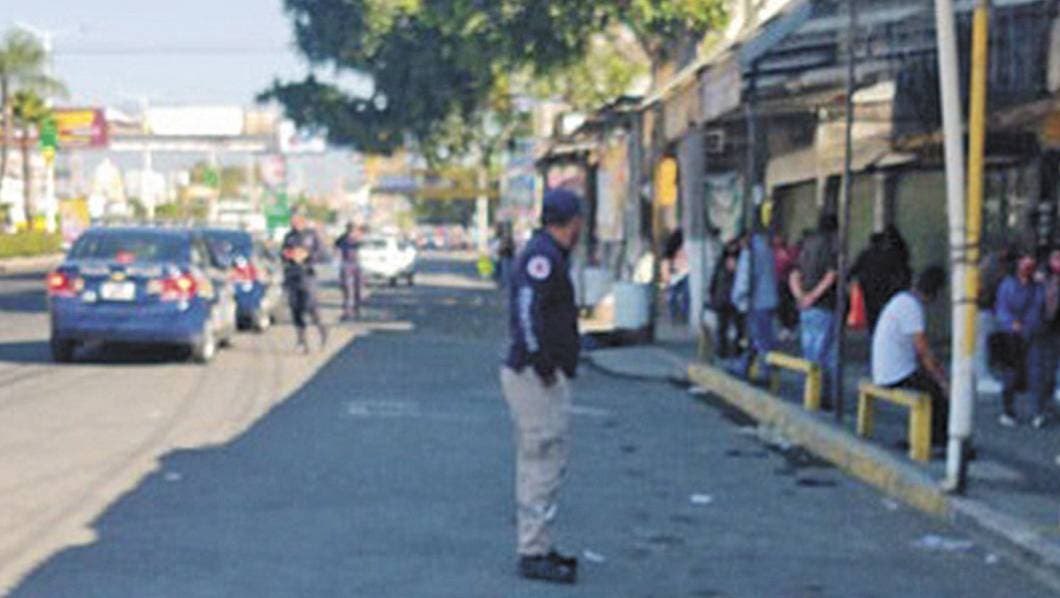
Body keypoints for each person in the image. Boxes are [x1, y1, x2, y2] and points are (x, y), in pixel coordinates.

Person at [500, 188, 583, 584]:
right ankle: (532, 551)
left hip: (541, 373)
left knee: (548, 461)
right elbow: (526, 311)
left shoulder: (548, 254)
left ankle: (540, 544)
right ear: (572, 222)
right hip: (534, 376)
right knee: (540, 461)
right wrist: (543, 361)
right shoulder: (541, 256)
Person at [872, 265, 950, 450]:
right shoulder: (912, 307)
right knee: (937, 394)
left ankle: (930, 438)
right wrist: (943, 381)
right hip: (895, 373)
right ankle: (937, 441)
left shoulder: (901, 300)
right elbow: (923, 350)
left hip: (886, 369)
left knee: (930, 383)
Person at [790, 214, 839, 405]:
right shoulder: (831, 246)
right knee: (826, 354)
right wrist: (813, 297)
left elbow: (794, 274)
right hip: (824, 306)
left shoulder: (805, 245)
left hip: (805, 308)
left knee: (809, 352)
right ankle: (823, 396)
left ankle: (810, 394)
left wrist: (801, 297)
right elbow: (831, 275)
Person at [993, 250, 1044, 427]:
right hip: (1011, 335)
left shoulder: (1037, 286)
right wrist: (1011, 323)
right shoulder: (1008, 284)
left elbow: (1039, 307)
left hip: (1031, 333)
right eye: (1025, 260)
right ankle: (1009, 411)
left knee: (1035, 372)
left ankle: (1037, 411)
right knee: (1010, 373)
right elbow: (1001, 308)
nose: (1028, 264)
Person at [732, 221, 778, 379]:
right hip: (768, 299)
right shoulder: (767, 249)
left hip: (755, 301)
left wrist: (737, 297)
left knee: (758, 338)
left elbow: (744, 279)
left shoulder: (749, 253)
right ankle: (746, 366)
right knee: (761, 336)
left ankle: (764, 372)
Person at [849, 225, 913, 333]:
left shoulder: (866, 254)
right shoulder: (892, 254)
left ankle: (875, 337)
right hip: (887, 290)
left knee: (872, 316)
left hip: (869, 290)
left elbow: (852, 270)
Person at [282, 211, 329, 353]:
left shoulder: (311, 235)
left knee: (310, 307)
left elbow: (323, 254)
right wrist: (288, 255)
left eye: (296, 220)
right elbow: (283, 253)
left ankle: (322, 333)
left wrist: (307, 256)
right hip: (292, 275)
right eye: (292, 221)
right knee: (296, 310)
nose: (294, 223)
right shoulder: (289, 236)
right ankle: (302, 342)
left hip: (308, 275)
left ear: (302, 221)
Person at [1029, 247, 1060, 428]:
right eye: (1055, 258)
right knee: (1037, 370)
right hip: (1039, 329)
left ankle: (1045, 405)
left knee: (1050, 372)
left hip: (1055, 329)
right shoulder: (1039, 280)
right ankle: (1038, 409)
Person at [709, 240, 743, 359]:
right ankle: (724, 351)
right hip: (725, 300)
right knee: (724, 328)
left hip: (731, 300)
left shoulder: (738, 263)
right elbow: (714, 282)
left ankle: (734, 351)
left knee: (735, 328)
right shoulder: (722, 264)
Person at [772, 233, 799, 340]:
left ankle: (789, 327)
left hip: (786, 282)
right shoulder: (775, 252)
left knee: (787, 306)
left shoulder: (789, 251)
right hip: (780, 281)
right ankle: (786, 327)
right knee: (782, 306)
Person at [334, 222, 364, 321]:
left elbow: (360, 245)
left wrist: (358, 237)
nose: (351, 230)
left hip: (356, 264)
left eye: (352, 228)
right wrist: (337, 259)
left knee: (357, 288)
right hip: (346, 264)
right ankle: (346, 311)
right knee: (346, 288)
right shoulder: (342, 238)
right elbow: (336, 247)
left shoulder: (357, 237)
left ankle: (357, 309)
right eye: (349, 228)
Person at [663, 229, 690, 321]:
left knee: (674, 296)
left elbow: (666, 263)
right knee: (684, 296)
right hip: (682, 273)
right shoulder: (682, 247)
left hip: (677, 274)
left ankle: (674, 315)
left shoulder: (672, 249)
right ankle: (682, 315)